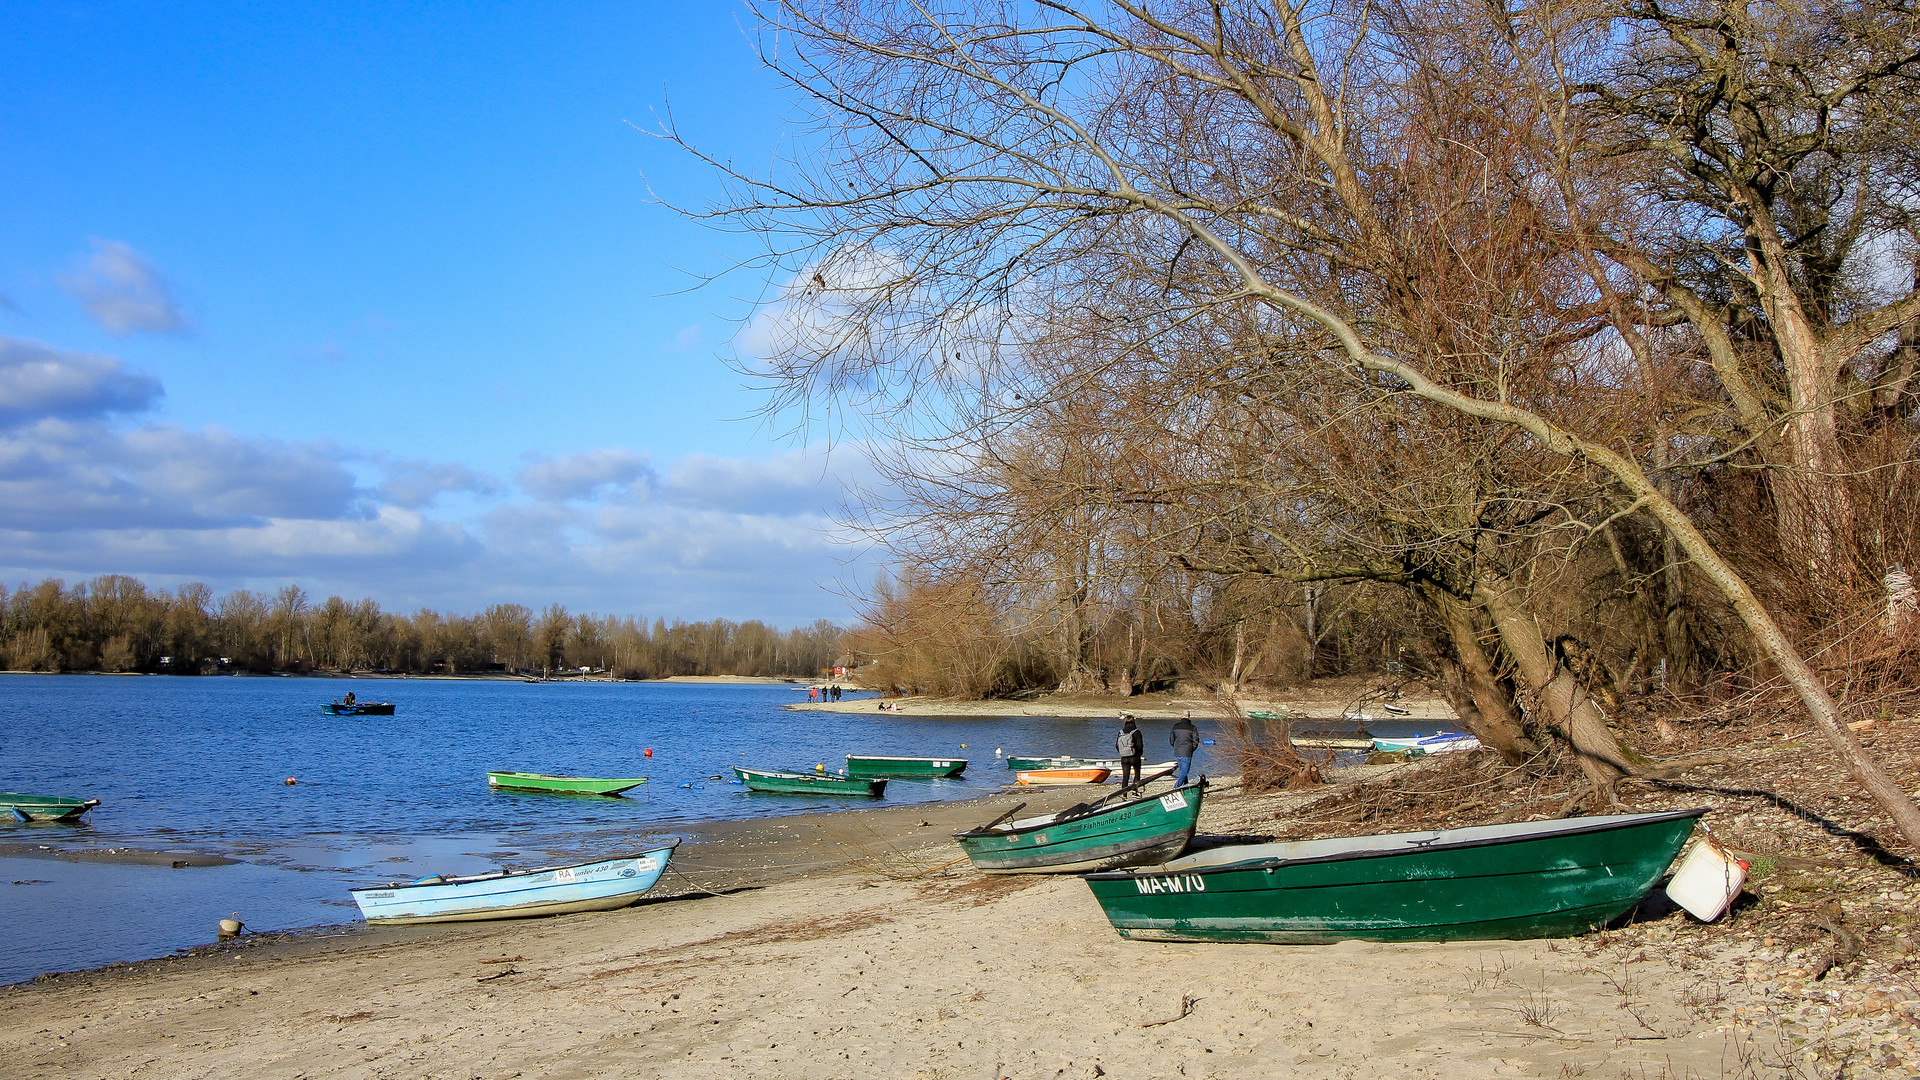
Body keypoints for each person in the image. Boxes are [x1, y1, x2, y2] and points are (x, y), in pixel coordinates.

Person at [1169, 711, 1200, 788]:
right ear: (1189, 716)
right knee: (1184, 772)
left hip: (1177, 752)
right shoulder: (1192, 727)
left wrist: (1176, 747)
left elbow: (1171, 740)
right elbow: (1196, 741)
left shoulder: (1175, 726)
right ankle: (1176, 787)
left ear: (1181, 715)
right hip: (1187, 752)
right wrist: (1191, 749)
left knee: (1183, 771)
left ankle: (1185, 786)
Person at [1115, 714, 1144, 792]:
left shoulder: (1121, 732)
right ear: (1134, 721)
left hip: (1124, 758)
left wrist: (1122, 753)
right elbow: (1140, 745)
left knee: (1125, 777)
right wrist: (1139, 754)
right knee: (1137, 774)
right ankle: (1135, 792)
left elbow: (1116, 745)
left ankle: (1124, 794)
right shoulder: (1136, 731)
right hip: (1134, 757)